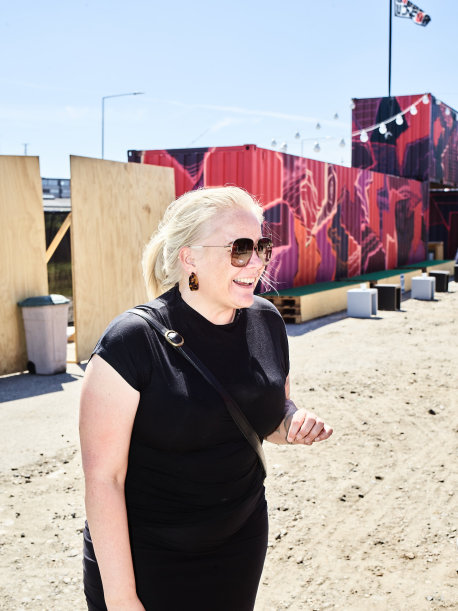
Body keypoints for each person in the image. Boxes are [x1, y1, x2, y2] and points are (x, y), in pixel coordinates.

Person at [79, 186, 333, 611]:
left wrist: (293, 421)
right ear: (189, 257)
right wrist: (123, 598)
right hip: (148, 558)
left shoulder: (267, 321)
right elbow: (104, 481)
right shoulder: (131, 342)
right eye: (240, 248)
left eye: (262, 248)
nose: (256, 262)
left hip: (239, 545)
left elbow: (268, 414)